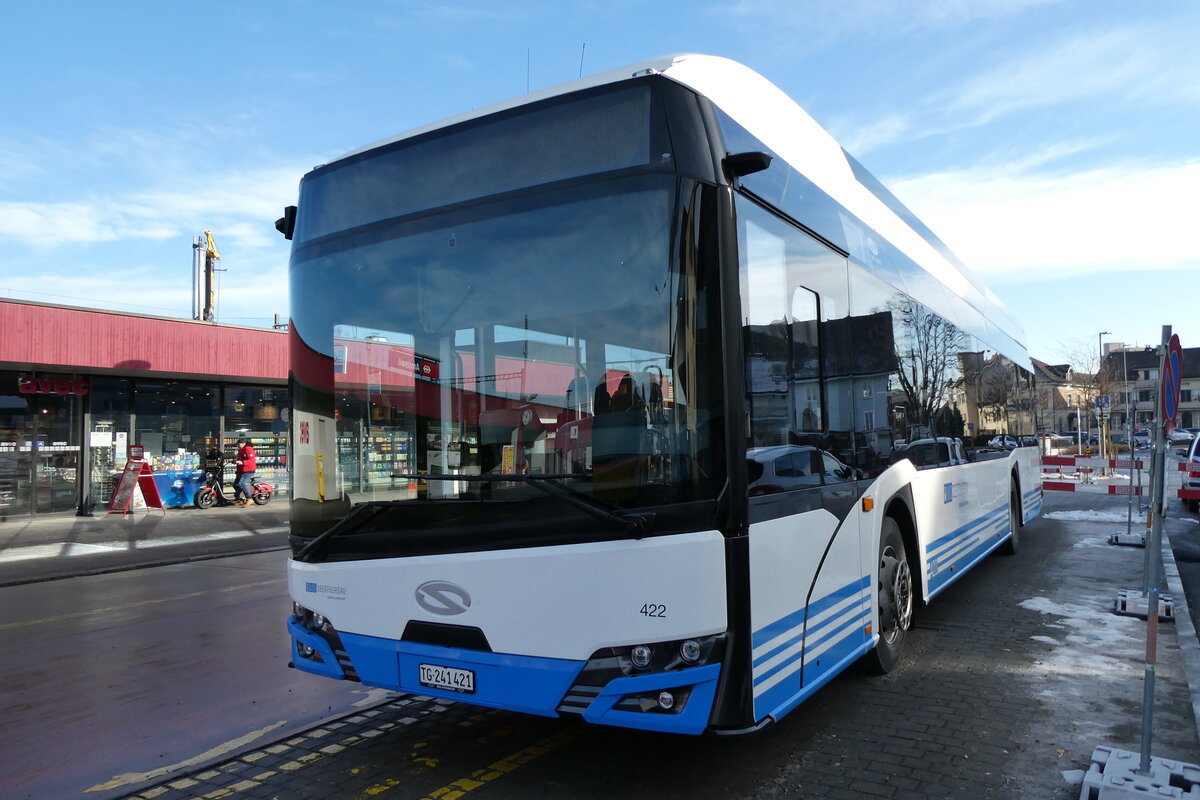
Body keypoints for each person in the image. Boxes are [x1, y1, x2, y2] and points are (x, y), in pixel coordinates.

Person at [233, 437, 256, 506]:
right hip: (242, 470)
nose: (237, 445)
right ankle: (240, 499)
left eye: (238, 444)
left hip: (248, 470)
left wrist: (242, 462)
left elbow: (251, 460)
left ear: (243, 443)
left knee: (242, 484)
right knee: (236, 484)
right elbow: (241, 459)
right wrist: (236, 462)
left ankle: (249, 498)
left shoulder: (248, 449)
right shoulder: (241, 450)